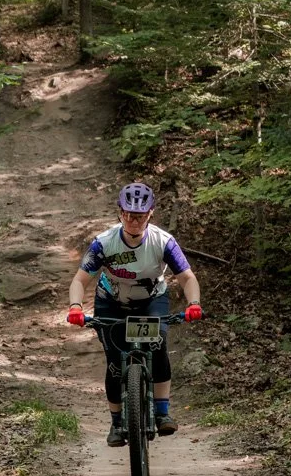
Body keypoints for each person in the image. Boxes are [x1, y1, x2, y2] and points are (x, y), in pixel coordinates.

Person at [66, 181, 202, 447]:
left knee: (158, 346)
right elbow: (80, 280)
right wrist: (75, 307)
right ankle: (117, 423)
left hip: (151, 301)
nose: (132, 220)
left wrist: (194, 303)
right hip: (111, 302)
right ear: (120, 212)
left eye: (139, 215)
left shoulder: (163, 242)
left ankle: (162, 413)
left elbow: (186, 277)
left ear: (150, 214)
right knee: (115, 364)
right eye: (127, 213)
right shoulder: (104, 243)